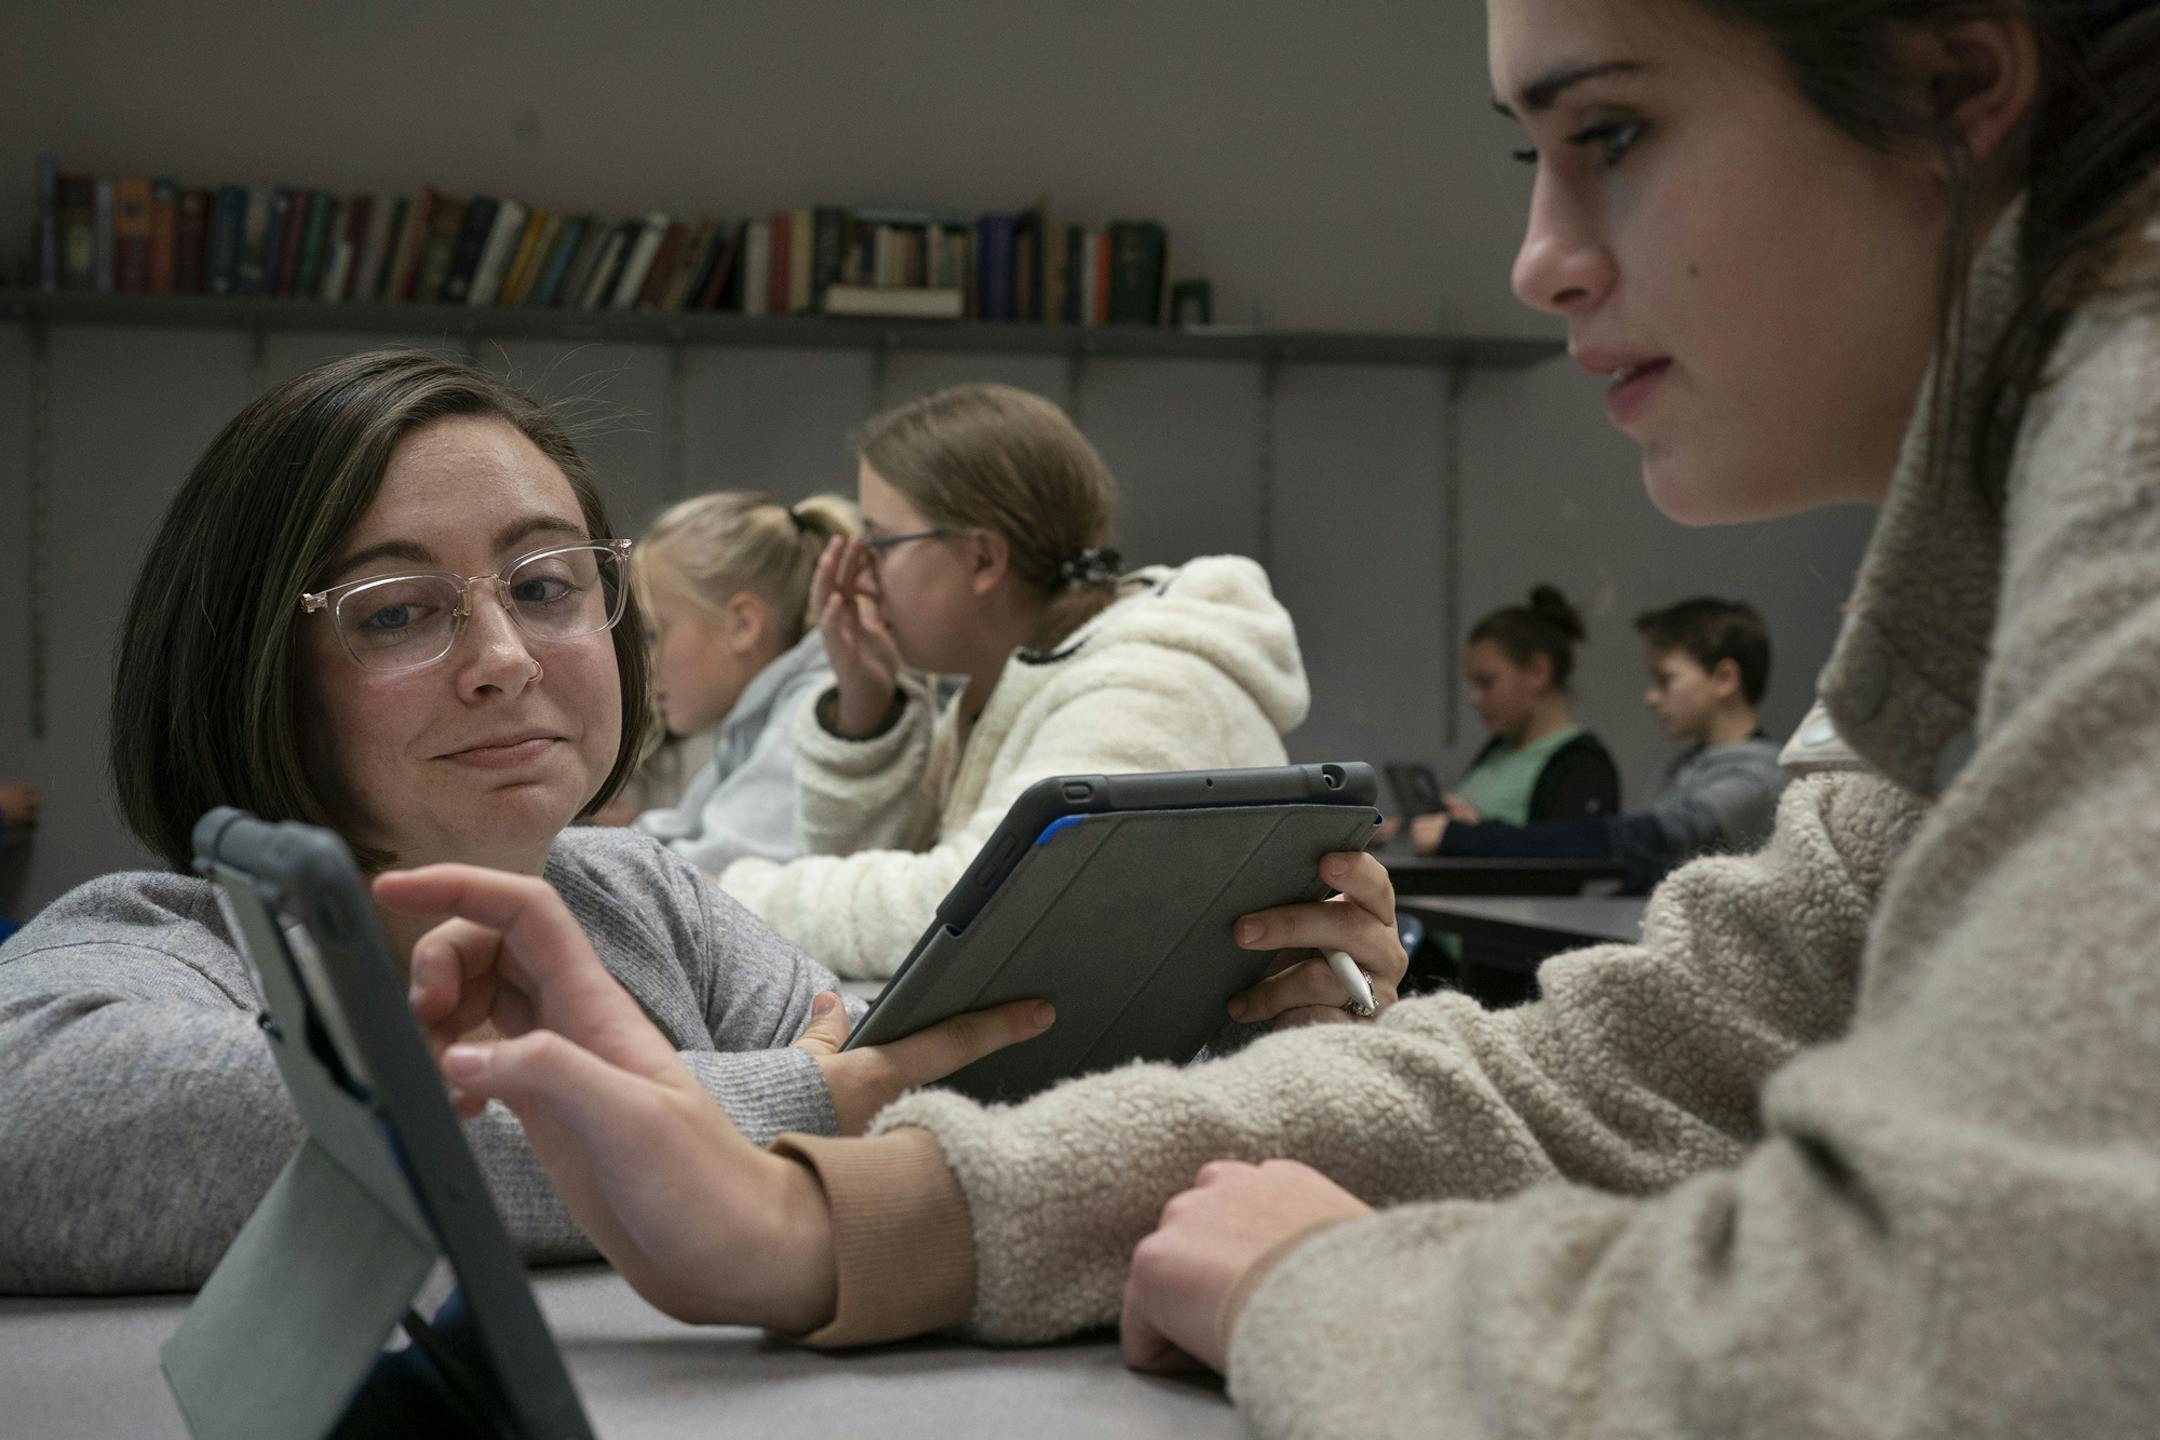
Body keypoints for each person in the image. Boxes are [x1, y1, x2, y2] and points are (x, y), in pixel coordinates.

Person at [394, 2, 2160, 1433]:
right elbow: (1650, 1069)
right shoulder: (2008, 525)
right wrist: (841, 1218)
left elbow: (1974, 1347)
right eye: (1529, 156)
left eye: (1610, 134)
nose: (1541, 258)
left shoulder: (2133, 439)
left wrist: (1321, 1295)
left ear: (1958, 84)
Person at [0, 350, 1054, 1294]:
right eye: (397, 610)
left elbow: (930, 1085)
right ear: (251, 672)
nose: (505, 658)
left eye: (545, 584)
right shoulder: (156, 946)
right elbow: (45, 1135)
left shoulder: (642, 897)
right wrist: (792, 1103)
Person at [717, 382, 1312, 978]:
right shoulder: (1008, 682)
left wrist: (725, 902)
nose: (863, 579)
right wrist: (865, 716)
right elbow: (879, 896)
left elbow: (972, 909)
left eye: (879, 544)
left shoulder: (1144, 687)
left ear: (983, 560)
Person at [1411, 597, 1787, 892]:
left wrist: (1470, 838)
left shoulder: (1759, 778)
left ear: (1724, 678)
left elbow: (1635, 842)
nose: (1651, 697)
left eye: (1665, 680)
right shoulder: (1687, 766)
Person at [626, 490, 859, 871]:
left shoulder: (812, 716)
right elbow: (680, 832)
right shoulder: (755, 723)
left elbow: (712, 877)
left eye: (652, 635)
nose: (642, 664)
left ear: (743, 625)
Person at [1418, 584, 1622, 849]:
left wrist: (1467, 836)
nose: (1474, 699)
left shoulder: (1582, 765)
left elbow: (1566, 857)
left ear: (1538, 671)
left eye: (1487, 682)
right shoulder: (1498, 749)